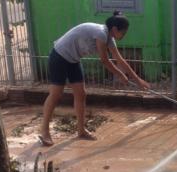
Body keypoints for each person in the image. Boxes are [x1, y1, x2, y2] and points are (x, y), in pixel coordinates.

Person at [39, 11, 149, 146]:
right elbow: (104, 60)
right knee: (56, 94)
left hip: (73, 60)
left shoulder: (109, 37)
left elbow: (120, 59)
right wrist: (120, 75)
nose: (124, 35)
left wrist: (138, 80)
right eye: (124, 32)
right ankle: (44, 130)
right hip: (59, 57)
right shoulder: (101, 33)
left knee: (81, 94)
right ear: (115, 29)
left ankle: (81, 131)